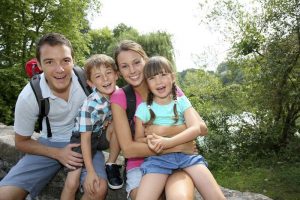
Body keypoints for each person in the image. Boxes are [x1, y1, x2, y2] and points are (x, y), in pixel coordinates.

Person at [0, 33, 102, 200]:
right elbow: (21, 142)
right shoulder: (30, 96)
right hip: (49, 144)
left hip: (87, 140)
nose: (59, 69)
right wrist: (58, 153)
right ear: (39, 65)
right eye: (49, 62)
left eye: (65, 61)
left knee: (97, 190)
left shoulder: (87, 81)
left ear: (73, 61)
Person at [110, 40, 208, 200]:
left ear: (146, 61)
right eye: (124, 66)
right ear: (119, 71)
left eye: (136, 62)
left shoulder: (167, 87)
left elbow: (202, 128)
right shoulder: (120, 97)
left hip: (180, 161)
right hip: (141, 165)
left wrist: (165, 131)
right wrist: (179, 146)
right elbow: (128, 150)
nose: (132, 70)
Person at [134, 56, 225, 200]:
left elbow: (196, 128)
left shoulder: (182, 102)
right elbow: (138, 138)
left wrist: (168, 142)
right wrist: (151, 142)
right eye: (152, 78)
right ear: (147, 83)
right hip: (158, 160)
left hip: (188, 157)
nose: (159, 81)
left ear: (172, 77)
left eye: (163, 75)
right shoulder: (143, 108)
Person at [60, 54, 123, 200]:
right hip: (81, 140)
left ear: (116, 75)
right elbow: (85, 140)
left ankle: (111, 163)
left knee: (120, 122)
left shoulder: (118, 94)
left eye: (108, 73)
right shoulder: (90, 106)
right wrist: (91, 172)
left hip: (100, 135)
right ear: (91, 83)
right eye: (98, 76)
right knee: (72, 183)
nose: (105, 79)